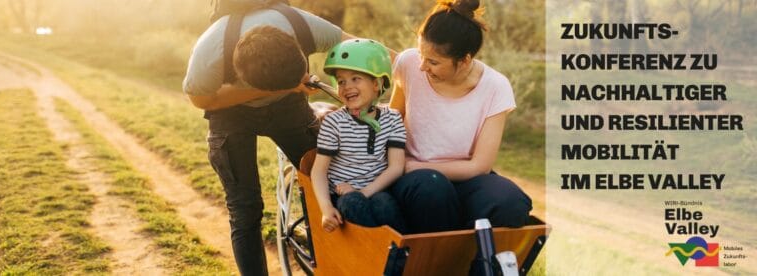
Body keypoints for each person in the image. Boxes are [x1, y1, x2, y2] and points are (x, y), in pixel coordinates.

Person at [182, 6, 355, 275]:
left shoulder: (298, 23)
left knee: (332, 184)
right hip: (228, 114)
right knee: (245, 209)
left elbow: (358, 46)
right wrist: (271, 88)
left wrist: (410, 64)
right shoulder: (210, 48)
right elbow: (201, 99)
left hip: (288, 106)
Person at [389, 0, 532, 234]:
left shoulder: (496, 86)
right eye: (421, 55)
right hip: (416, 180)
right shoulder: (408, 64)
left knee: (510, 201)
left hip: (464, 177)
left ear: (465, 60)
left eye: (433, 62)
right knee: (432, 188)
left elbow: (480, 165)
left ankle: (481, 266)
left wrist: (416, 166)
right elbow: (392, 120)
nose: (423, 67)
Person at [310, 39, 408, 234]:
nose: (347, 86)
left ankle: (402, 255)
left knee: (385, 203)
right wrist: (326, 209)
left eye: (356, 78)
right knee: (350, 202)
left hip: (376, 190)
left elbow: (396, 167)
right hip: (343, 195)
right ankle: (379, 257)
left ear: (376, 83)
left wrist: (364, 192)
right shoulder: (334, 123)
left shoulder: (393, 119)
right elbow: (318, 171)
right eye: (341, 81)